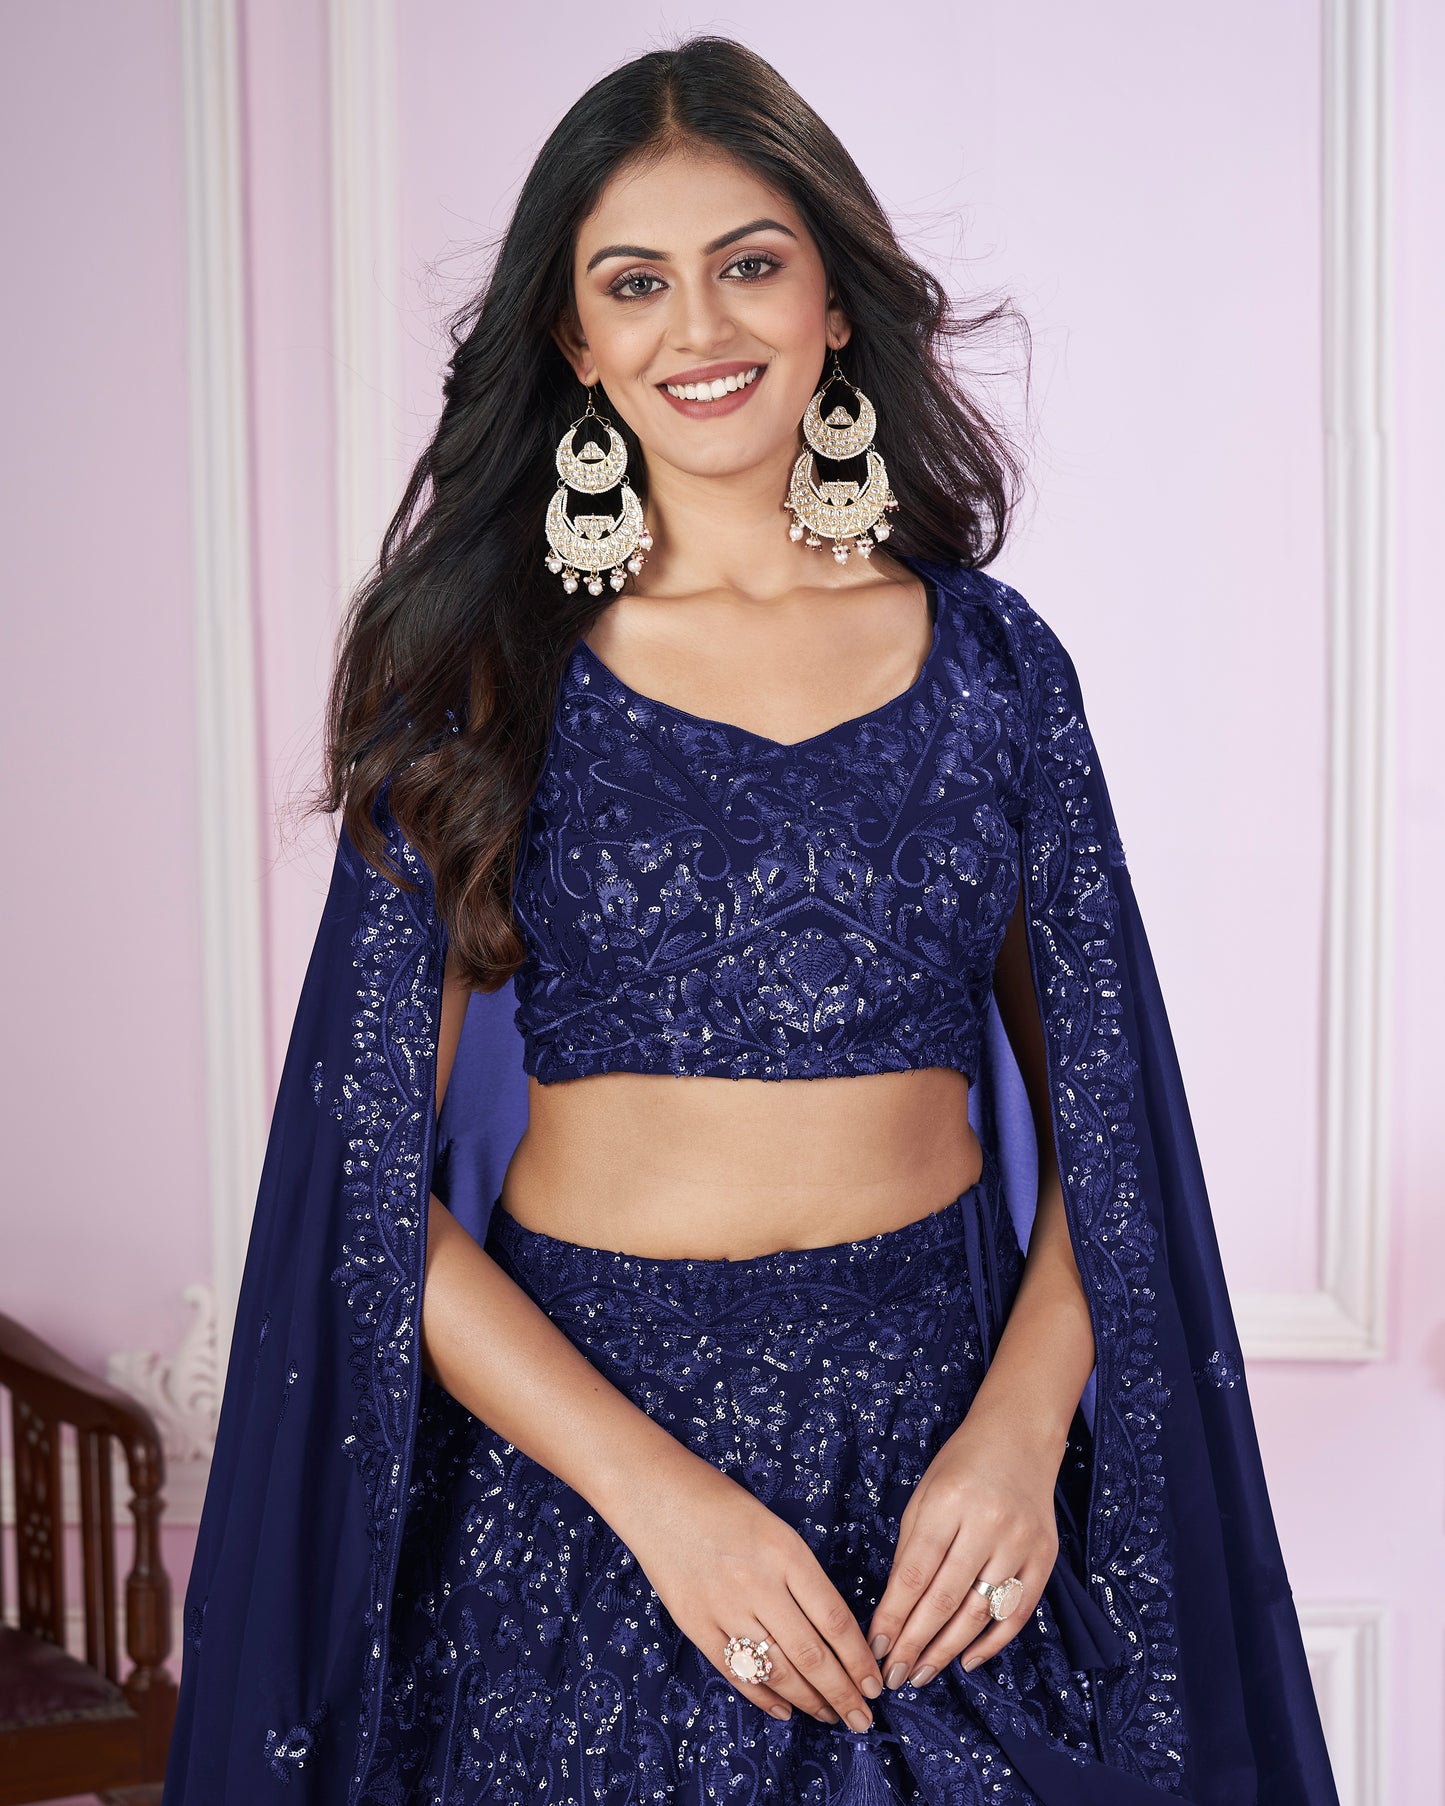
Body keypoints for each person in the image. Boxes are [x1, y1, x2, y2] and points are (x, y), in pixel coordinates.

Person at [162, 35, 1341, 1806]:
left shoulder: (996, 671)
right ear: (574, 343)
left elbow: (1111, 1119)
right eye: (632, 282)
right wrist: (661, 1501)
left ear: (833, 303)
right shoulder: (475, 677)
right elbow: (361, 1198)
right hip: (587, 1494)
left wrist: (1021, 1437)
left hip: (947, 1496)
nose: (695, 328)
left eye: (748, 263)